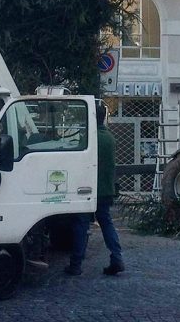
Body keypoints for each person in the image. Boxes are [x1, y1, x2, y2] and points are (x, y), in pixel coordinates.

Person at [65, 100, 124, 276]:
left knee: (81, 224)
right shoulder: (110, 139)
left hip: (87, 189)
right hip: (106, 189)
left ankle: (76, 263)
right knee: (106, 223)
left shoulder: (88, 138)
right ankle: (117, 257)